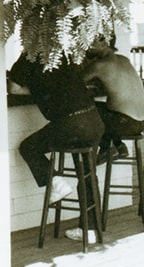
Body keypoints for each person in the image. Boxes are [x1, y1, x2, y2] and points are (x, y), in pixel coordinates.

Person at [9, 52, 105, 242]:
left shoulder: (30, 55)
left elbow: (13, 88)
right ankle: (91, 229)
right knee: (87, 173)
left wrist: (37, 88)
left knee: (29, 147)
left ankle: (55, 181)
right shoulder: (64, 52)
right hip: (94, 121)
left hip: (70, 124)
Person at [83, 34, 144, 160]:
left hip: (123, 123)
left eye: (91, 44)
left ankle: (106, 149)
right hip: (141, 122)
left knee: (89, 109)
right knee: (103, 108)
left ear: (104, 44)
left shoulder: (99, 65)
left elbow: (75, 83)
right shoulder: (124, 59)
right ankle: (119, 147)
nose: (87, 48)